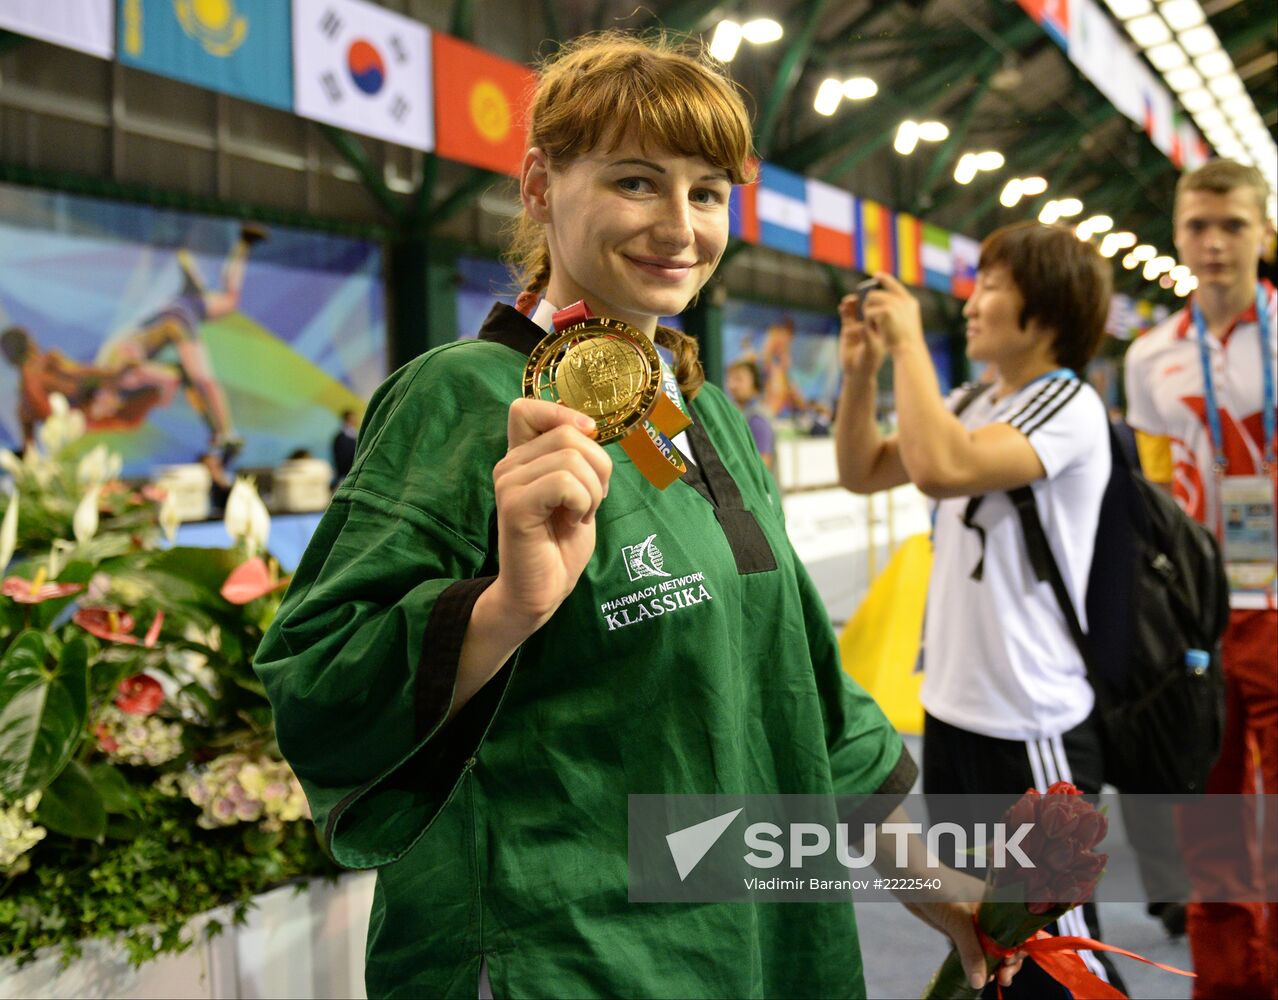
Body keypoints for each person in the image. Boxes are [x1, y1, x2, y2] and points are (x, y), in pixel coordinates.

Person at [253, 32, 1023, 1000]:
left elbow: (799, 686)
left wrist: (926, 878)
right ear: (539, 185)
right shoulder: (461, 397)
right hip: (562, 950)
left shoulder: (702, 414)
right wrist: (504, 606)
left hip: (754, 940)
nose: (679, 225)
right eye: (633, 182)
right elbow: (318, 676)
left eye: (706, 191)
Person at [834, 223, 1123, 998]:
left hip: (1032, 729)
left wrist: (908, 348)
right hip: (956, 723)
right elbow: (863, 470)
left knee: (1062, 948)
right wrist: (862, 371)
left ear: (1045, 310)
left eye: (993, 285)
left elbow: (944, 466)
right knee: (990, 944)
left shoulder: (1065, 403)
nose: (972, 301)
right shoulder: (971, 398)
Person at [1123, 159, 1277, 1000]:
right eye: (1197, 227)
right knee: (1213, 827)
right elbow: (1153, 500)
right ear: (1177, 235)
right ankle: (1226, 987)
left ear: (1263, 233)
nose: (1214, 245)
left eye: (1233, 226)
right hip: (1203, 624)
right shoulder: (1150, 357)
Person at [1, 224, 264, 453]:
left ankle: (224, 433)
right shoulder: (45, 371)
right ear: (29, 345)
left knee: (193, 372)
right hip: (137, 353)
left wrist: (113, 376)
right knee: (196, 367)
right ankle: (223, 433)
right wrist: (112, 377)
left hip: (138, 352)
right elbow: (87, 378)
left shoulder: (30, 391)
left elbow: (84, 381)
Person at [724, 359, 775, 468]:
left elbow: (762, 467)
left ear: (755, 383)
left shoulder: (757, 419)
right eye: (730, 379)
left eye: (739, 379)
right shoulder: (737, 414)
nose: (732, 385)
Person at [330, 409, 358, 485]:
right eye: (352, 418)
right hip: (346, 474)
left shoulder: (355, 434)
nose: (356, 420)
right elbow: (341, 457)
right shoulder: (341, 437)